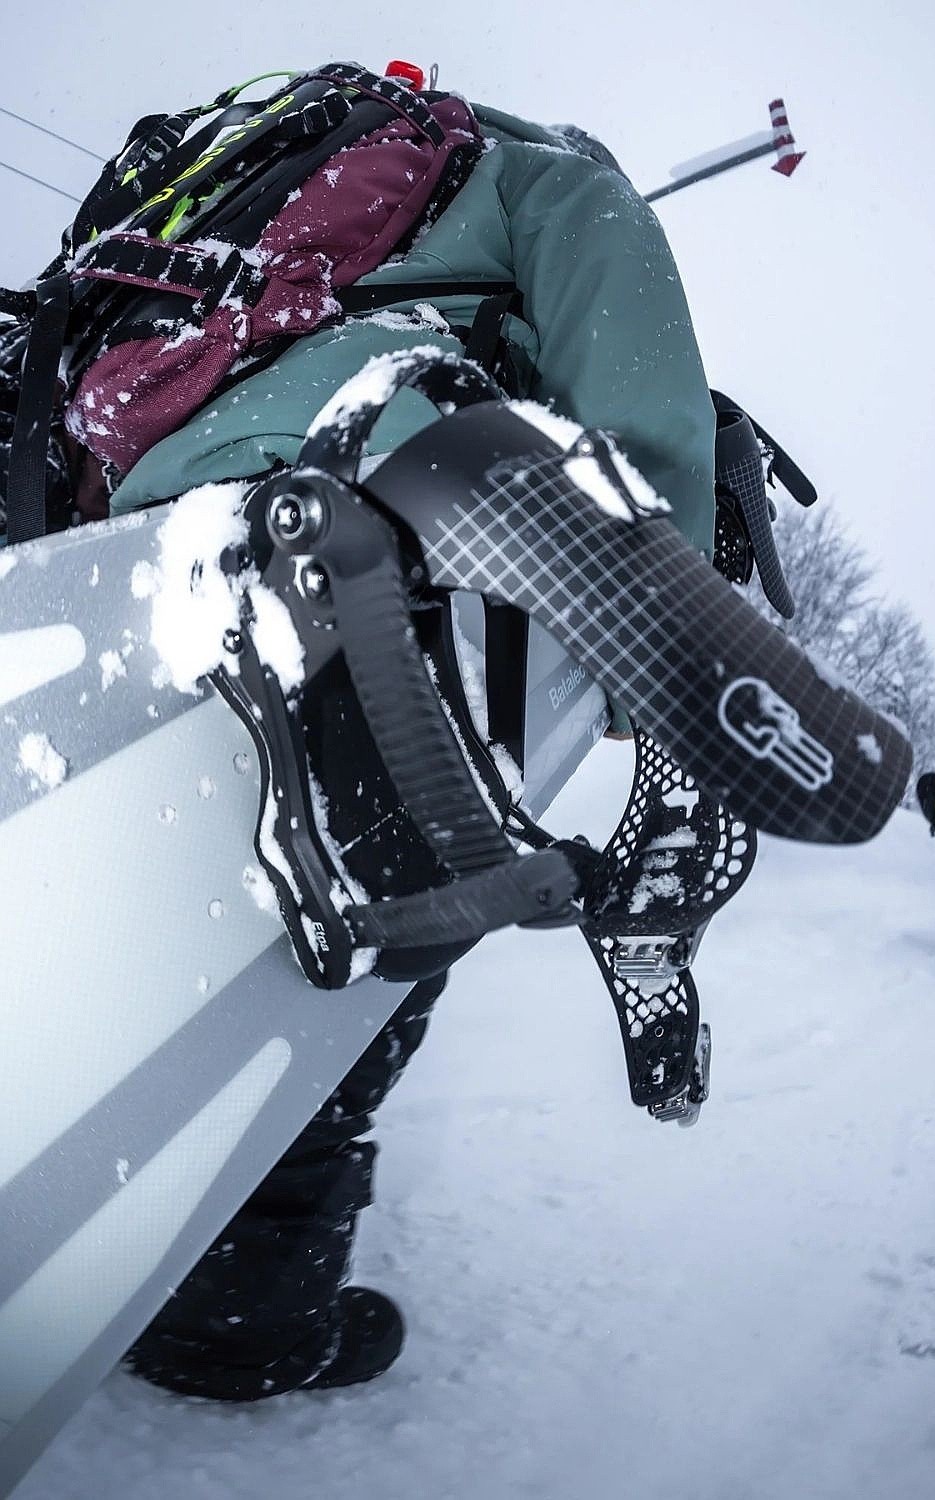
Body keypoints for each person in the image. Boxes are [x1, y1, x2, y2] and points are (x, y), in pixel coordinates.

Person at [96, 69, 719, 1400]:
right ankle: (238, 1325)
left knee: (163, 918)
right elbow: (641, 416)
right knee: (375, 943)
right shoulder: (560, 181)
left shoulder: (262, 209)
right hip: (370, 505)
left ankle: (109, 1216)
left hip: (141, 533)